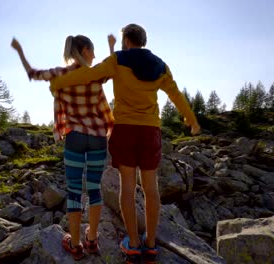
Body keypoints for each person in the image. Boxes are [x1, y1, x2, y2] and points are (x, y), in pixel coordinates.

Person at [49, 24, 201, 264]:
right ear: (143, 40)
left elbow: (88, 74)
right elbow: (175, 95)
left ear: (127, 40)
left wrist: (60, 82)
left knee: (127, 188)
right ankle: (150, 244)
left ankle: (133, 243)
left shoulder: (118, 60)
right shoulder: (161, 65)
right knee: (151, 189)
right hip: (150, 130)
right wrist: (190, 119)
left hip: (125, 130)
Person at [11, 35, 114, 261]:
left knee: (75, 191)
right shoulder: (95, 73)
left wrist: (19, 50)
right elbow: (113, 65)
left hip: (75, 137)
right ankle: (92, 239)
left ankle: (75, 245)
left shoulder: (61, 74)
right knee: (95, 189)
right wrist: (112, 46)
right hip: (98, 136)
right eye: (93, 50)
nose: (95, 56)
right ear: (85, 50)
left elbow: (33, 73)